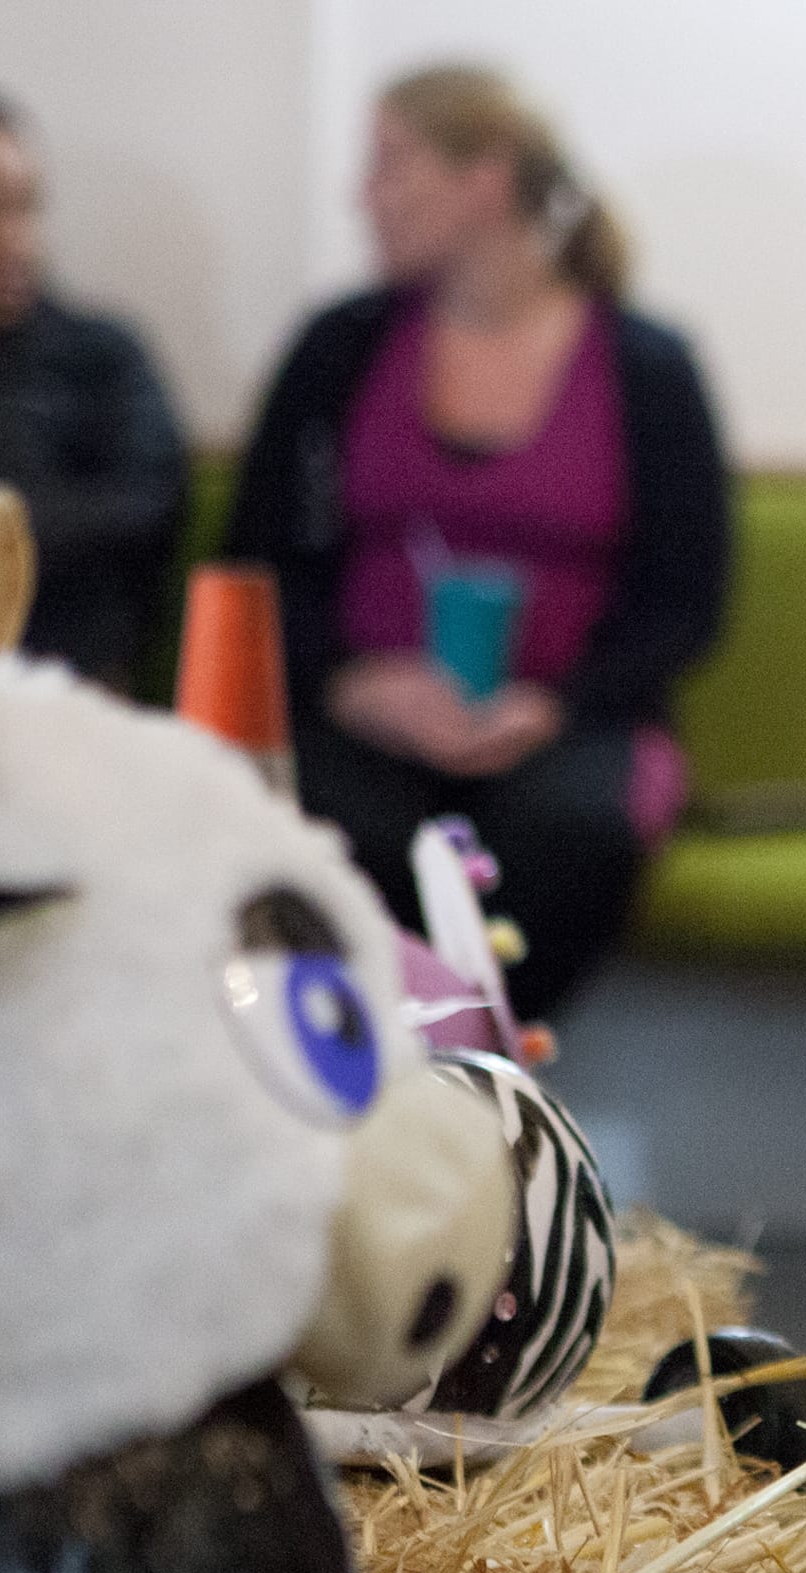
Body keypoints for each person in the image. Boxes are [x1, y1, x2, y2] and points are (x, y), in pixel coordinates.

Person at [224, 65, 729, 1021]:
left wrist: (551, 704)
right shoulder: (340, 347)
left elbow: (685, 603)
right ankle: (375, 1082)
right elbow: (257, 562)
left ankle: (481, 1080)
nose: (361, 198)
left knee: (571, 834)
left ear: (484, 180)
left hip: (571, 721)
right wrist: (350, 680)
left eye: (389, 165)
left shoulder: (646, 367)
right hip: (360, 710)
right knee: (330, 831)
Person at [0, 90, 185, 690]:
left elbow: (147, 509)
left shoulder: (101, 357)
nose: (15, 240)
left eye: (26, 207)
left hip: (65, 687)